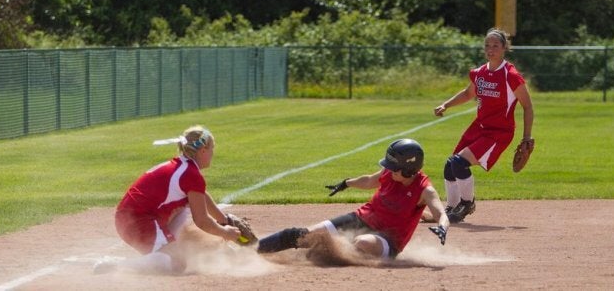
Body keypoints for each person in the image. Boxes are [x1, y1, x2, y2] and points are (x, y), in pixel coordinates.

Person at [257, 139, 450, 259]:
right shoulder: (389, 173)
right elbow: (369, 181)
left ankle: (324, 253)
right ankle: (255, 248)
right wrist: (346, 183)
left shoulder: (425, 190)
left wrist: (442, 227)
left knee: (361, 243)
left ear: (408, 168)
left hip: (387, 240)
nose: (388, 169)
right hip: (360, 218)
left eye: (393, 166)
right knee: (303, 234)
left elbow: (441, 213)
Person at [94, 125, 242, 274]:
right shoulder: (191, 174)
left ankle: (194, 246)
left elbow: (201, 195)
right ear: (203, 151)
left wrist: (223, 220)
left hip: (134, 217)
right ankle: (115, 266)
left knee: (186, 211)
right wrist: (224, 232)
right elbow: (202, 220)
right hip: (137, 221)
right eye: (211, 149)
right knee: (176, 263)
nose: (212, 153)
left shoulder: (183, 166)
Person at [433, 28, 534, 223]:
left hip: (498, 133)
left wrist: (527, 137)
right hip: (479, 127)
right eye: (487, 45)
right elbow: (467, 93)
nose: (490, 49)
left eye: (495, 45)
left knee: (459, 163)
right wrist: (446, 104)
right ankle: (451, 207)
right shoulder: (480, 72)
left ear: (505, 48)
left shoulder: (510, 75)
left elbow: (528, 107)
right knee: (450, 166)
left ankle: (467, 203)